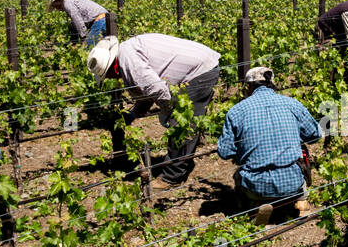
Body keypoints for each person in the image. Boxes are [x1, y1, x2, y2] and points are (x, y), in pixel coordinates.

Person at [87, 33, 220, 189]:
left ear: (112, 67)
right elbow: (148, 88)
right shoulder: (126, 51)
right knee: (185, 121)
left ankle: (172, 177)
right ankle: (182, 159)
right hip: (199, 64)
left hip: (200, 72)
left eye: (106, 76)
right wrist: (134, 113)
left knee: (181, 125)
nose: (109, 79)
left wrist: (168, 112)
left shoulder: (129, 63)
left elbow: (157, 90)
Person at [217, 66, 323, 221]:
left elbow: (224, 152)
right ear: (273, 83)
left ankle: (255, 205)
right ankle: (300, 200)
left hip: (256, 185)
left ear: (249, 87)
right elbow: (315, 135)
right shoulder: (292, 104)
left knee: (238, 172)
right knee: (302, 151)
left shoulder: (236, 111)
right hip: (292, 181)